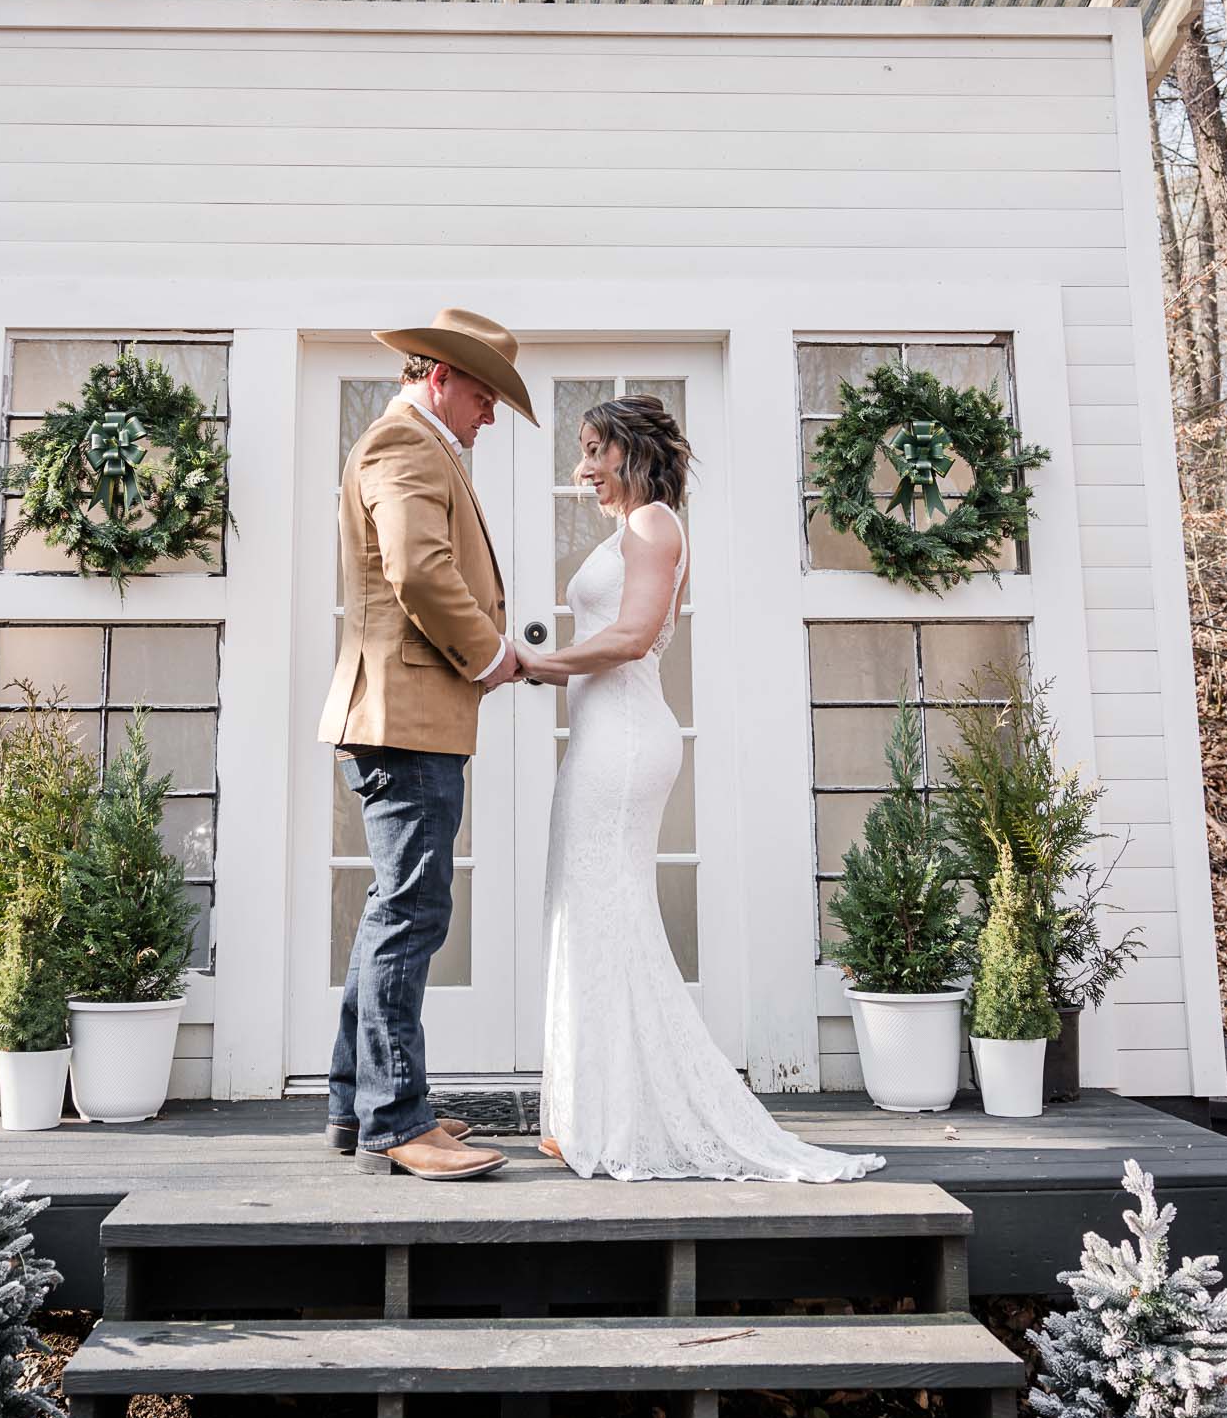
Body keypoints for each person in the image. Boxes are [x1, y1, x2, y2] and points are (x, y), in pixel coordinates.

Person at [522, 395, 886, 1184]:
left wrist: (536, 664)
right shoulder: (632, 530)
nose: (580, 467)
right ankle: (586, 1107)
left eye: (591, 449)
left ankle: (615, 1115)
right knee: (586, 910)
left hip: (622, 744)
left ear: (627, 451)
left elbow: (631, 636)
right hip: (603, 739)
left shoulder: (653, 524)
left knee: (604, 911)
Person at [319, 308, 537, 1180]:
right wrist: (487, 654)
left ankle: (355, 1104)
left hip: (409, 717)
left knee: (393, 911)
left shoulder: (418, 444)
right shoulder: (402, 445)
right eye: (486, 398)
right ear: (439, 378)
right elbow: (417, 570)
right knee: (410, 915)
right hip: (402, 718)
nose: (490, 418)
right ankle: (395, 1121)